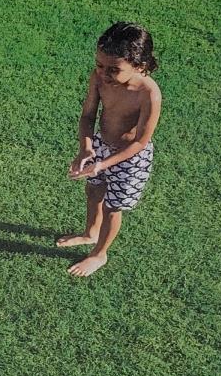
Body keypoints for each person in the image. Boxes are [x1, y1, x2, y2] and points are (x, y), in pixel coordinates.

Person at [58, 23, 163, 277]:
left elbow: (140, 142)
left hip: (130, 159)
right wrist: (86, 149)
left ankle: (99, 254)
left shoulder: (148, 94)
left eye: (114, 70)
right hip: (100, 146)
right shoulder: (99, 78)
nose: (104, 74)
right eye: (99, 65)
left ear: (140, 66)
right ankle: (90, 233)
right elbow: (87, 117)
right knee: (93, 191)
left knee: (112, 207)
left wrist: (103, 164)